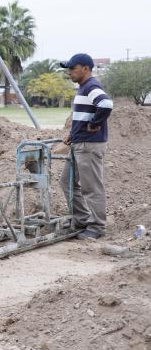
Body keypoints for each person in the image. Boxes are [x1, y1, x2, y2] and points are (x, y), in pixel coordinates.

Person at [60, 53, 113, 240]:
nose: (69, 73)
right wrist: (73, 134)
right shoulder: (83, 88)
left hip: (90, 145)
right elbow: (82, 116)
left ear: (86, 69)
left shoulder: (92, 86)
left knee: (91, 188)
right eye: (68, 69)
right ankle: (82, 220)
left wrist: (95, 123)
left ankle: (97, 226)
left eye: (73, 69)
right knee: (66, 182)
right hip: (79, 143)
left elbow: (106, 104)